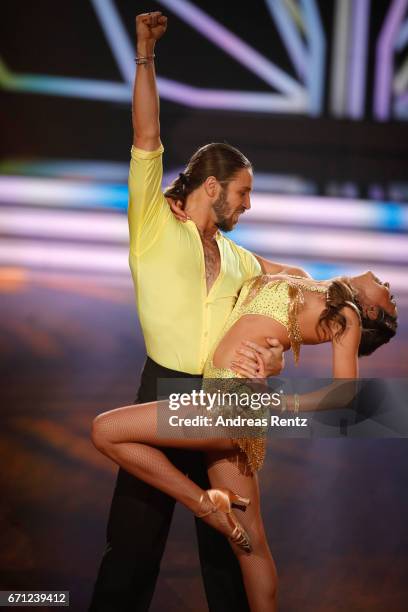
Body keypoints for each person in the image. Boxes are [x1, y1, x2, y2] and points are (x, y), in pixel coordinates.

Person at [89, 11, 309, 612]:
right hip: (162, 387)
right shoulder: (154, 223)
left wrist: (330, 297)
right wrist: (144, 56)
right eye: (243, 193)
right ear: (213, 187)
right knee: (134, 544)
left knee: (228, 548)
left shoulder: (238, 257)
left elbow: (292, 280)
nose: (247, 204)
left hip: (221, 398)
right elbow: (146, 131)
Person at [91, 269, 397, 612]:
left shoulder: (347, 315)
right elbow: (239, 258)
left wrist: (281, 401)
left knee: (105, 430)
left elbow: (346, 395)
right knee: (250, 544)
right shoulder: (301, 276)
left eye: (390, 297)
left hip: (230, 408)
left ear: (371, 312)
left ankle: (203, 505)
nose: (386, 284)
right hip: (224, 403)